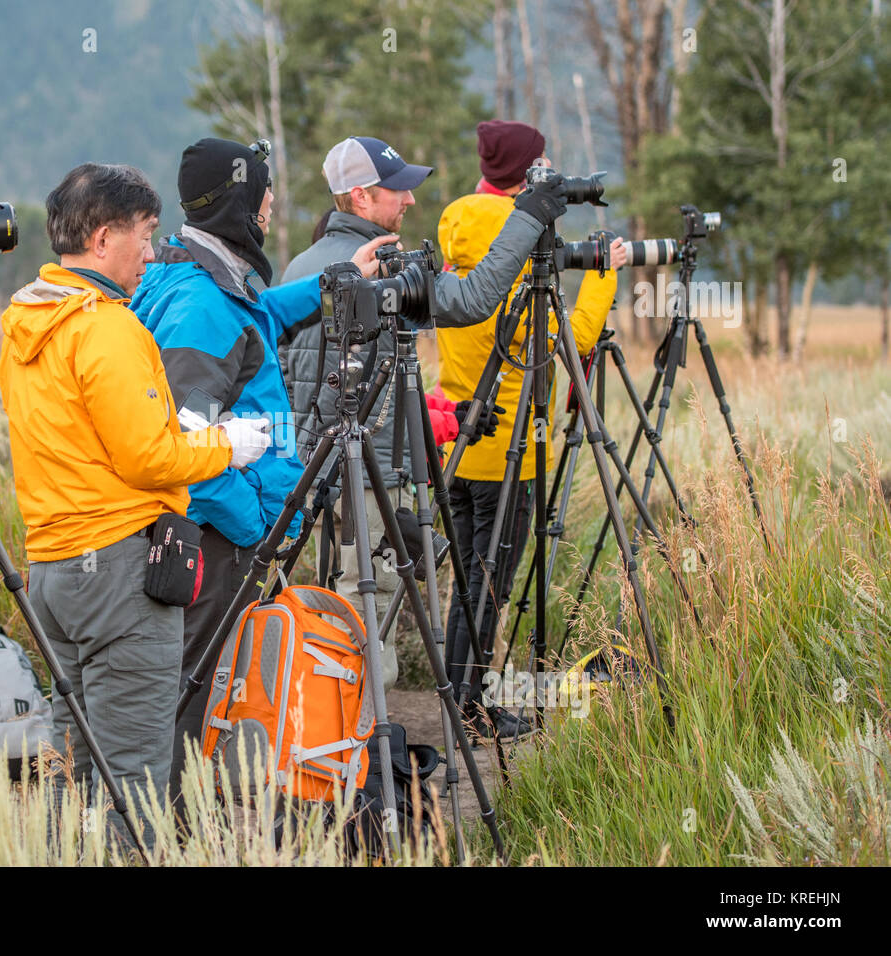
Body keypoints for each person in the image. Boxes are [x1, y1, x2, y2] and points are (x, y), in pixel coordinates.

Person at [0, 163, 270, 834]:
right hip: (121, 571)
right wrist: (227, 446)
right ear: (103, 238)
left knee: (74, 762)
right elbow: (149, 457)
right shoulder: (109, 329)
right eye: (144, 235)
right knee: (136, 778)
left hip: (53, 570)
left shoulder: (27, 322)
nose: (151, 252)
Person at [129, 137, 400, 796]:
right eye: (265, 198)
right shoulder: (200, 308)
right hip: (218, 535)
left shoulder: (202, 274)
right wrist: (255, 523)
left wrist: (342, 281)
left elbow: (261, 317)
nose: (273, 209)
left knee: (207, 679)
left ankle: (198, 811)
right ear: (240, 204)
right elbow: (185, 448)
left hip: (227, 527)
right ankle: (171, 827)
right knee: (195, 685)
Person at [279, 134, 567, 693]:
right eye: (398, 190)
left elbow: (321, 383)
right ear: (361, 198)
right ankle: (363, 759)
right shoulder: (380, 271)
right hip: (370, 485)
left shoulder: (302, 263)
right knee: (369, 624)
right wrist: (528, 218)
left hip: (314, 477)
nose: (409, 201)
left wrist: (444, 416)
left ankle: (334, 744)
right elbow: (474, 299)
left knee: (337, 606)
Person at [435, 119, 628, 740]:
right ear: (530, 175)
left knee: (469, 581)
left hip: (457, 437)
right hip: (509, 446)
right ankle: (471, 708)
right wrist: (603, 274)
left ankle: (456, 693)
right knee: (490, 585)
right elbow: (556, 346)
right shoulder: (517, 246)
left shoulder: (460, 226)